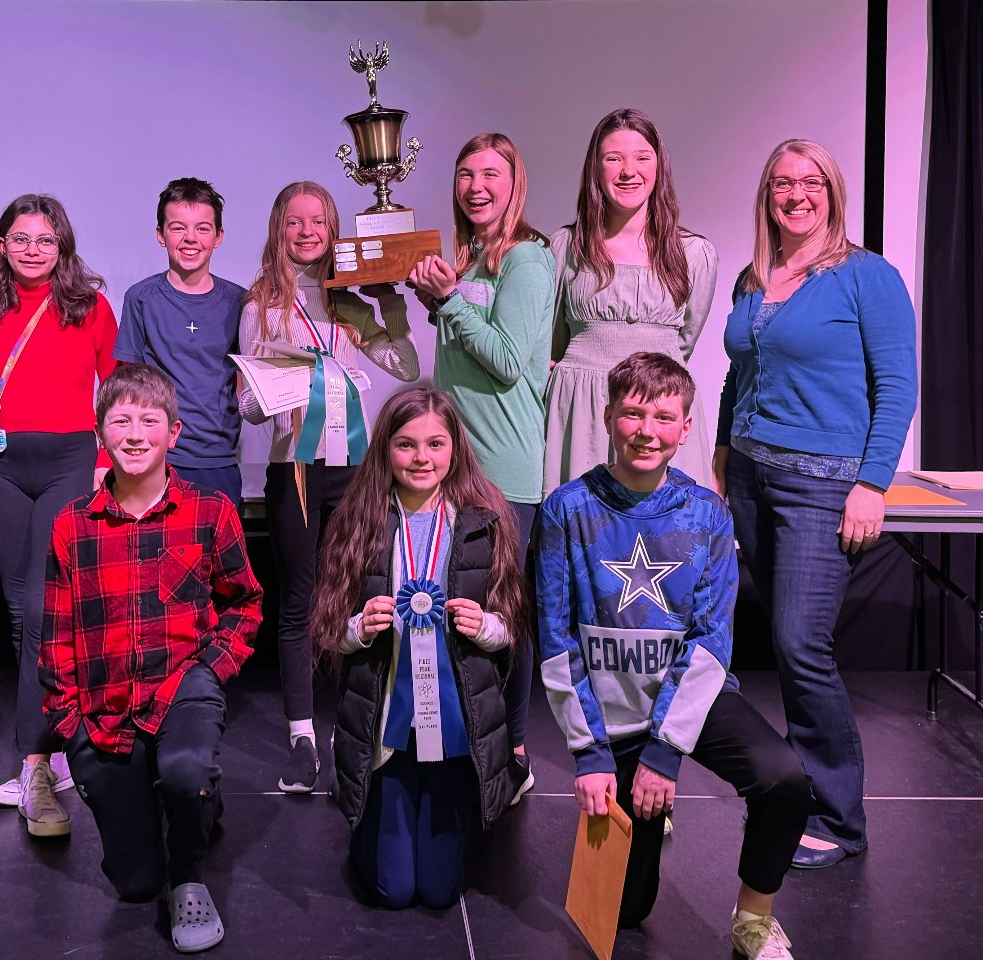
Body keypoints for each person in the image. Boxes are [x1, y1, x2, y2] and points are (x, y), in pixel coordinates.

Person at [538, 352, 811, 960]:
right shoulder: (566, 510)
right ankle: (638, 804)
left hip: (687, 703)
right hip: (611, 716)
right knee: (628, 914)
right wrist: (589, 754)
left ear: (686, 427)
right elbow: (556, 642)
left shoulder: (708, 514)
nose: (647, 430)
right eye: (633, 413)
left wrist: (667, 749)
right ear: (608, 416)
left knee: (785, 780)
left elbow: (713, 641)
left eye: (664, 417)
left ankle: (755, 920)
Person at [713, 140, 918, 869]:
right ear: (766, 194)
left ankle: (839, 819)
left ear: (832, 193)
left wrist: (871, 484)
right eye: (781, 182)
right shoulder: (755, 277)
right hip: (750, 479)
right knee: (780, 640)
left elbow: (897, 386)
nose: (795, 193)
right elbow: (742, 374)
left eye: (810, 182)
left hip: (821, 482)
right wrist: (720, 450)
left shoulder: (868, 276)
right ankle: (797, 803)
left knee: (802, 646)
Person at [40, 364, 262, 954]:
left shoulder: (210, 511)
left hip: (181, 684)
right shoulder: (72, 525)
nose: (135, 434)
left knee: (186, 771)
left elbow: (245, 604)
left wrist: (211, 668)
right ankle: (181, 816)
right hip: (106, 703)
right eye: (120, 421)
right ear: (100, 434)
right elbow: (57, 633)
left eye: (149, 421)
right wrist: (69, 724)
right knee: (136, 884)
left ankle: (191, 866)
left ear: (174, 433)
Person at [309, 387, 526, 909]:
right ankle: (368, 827)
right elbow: (327, 629)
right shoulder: (357, 522)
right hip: (387, 729)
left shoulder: (486, 520)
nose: (422, 458)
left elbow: (512, 629)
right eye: (406, 445)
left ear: (456, 448)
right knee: (394, 891)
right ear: (385, 448)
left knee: (437, 890)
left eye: (435, 443)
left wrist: (484, 627)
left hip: (455, 728)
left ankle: (456, 812)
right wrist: (360, 628)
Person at [240, 181, 419, 794]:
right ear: (278, 228)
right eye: (296, 221)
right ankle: (300, 737)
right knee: (299, 598)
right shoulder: (260, 303)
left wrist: (389, 300)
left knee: (359, 597)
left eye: (319, 221)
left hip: (356, 468)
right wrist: (263, 396)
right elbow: (249, 403)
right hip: (294, 468)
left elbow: (406, 368)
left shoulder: (349, 299)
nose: (308, 231)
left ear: (334, 228)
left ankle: (354, 727)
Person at [0, 194, 118, 835]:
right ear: (1, 245)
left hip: (67, 465)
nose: (32, 250)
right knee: (23, 611)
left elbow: (118, 383)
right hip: (0, 468)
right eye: (20, 238)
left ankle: (38, 762)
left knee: (45, 610)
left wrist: (106, 457)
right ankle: (54, 748)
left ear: (62, 249)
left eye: (45, 241)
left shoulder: (90, 309)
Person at [408, 132, 552, 804]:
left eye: (491, 173)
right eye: (465, 173)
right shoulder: (463, 257)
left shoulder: (528, 258)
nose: (476, 186)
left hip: (504, 468)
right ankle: (468, 743)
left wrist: (448, 304)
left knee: (503, 616)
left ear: (515, 181)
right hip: (451, 463)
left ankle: (514, 753)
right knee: (458, 610)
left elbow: (504, 360)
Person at [545, 108, 718, 494]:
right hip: (582, 411)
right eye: (613, 159)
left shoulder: (694, 253)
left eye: (642, 158)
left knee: (668, 540)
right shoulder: (566, 247)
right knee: (583, 534)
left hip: (661, 408)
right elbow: (552, 342)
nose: (628, 171)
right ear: (595, 168)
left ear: (659, 168)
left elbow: (684, 342)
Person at [114, 178, 246, 506]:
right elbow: (126, 384)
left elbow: (246, 384)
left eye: (203, 228)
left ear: (219, 237)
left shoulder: (240, 302)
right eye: (178, 228)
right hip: (156, 460)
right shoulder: (141, 299)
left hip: (218, 459)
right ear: (161, 235)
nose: (190, 238)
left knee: (217, 556)